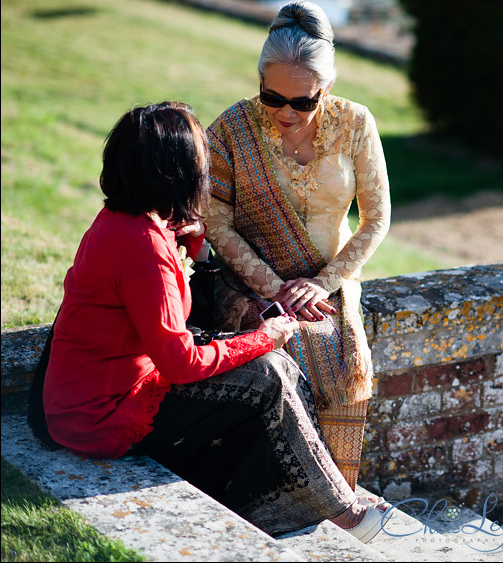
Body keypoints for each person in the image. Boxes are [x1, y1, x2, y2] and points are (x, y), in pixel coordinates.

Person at [28, 102, 385, 542]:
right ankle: (343, 512)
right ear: (175, 174)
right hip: (104, 415)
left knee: (281, 370)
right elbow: (180, 364)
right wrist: (263, 337)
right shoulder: (143, 248)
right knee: (269, 375)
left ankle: (296, 503)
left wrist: (191, 237)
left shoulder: (128, 222)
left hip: (95, 397)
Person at [203, 0, 390, 491]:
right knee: (281, 358)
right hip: (249, 281)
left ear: (324, 90)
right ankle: (268, 492)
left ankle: (331, 493)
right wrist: (276, 287)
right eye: (273, 97)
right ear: (260, 82)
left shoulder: (355, 125)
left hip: (330, 280)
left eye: (303, 102)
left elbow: (376, 220)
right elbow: (215, 223)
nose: (286, 113)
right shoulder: (231, 129)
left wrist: (322, 283)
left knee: (344, 356)